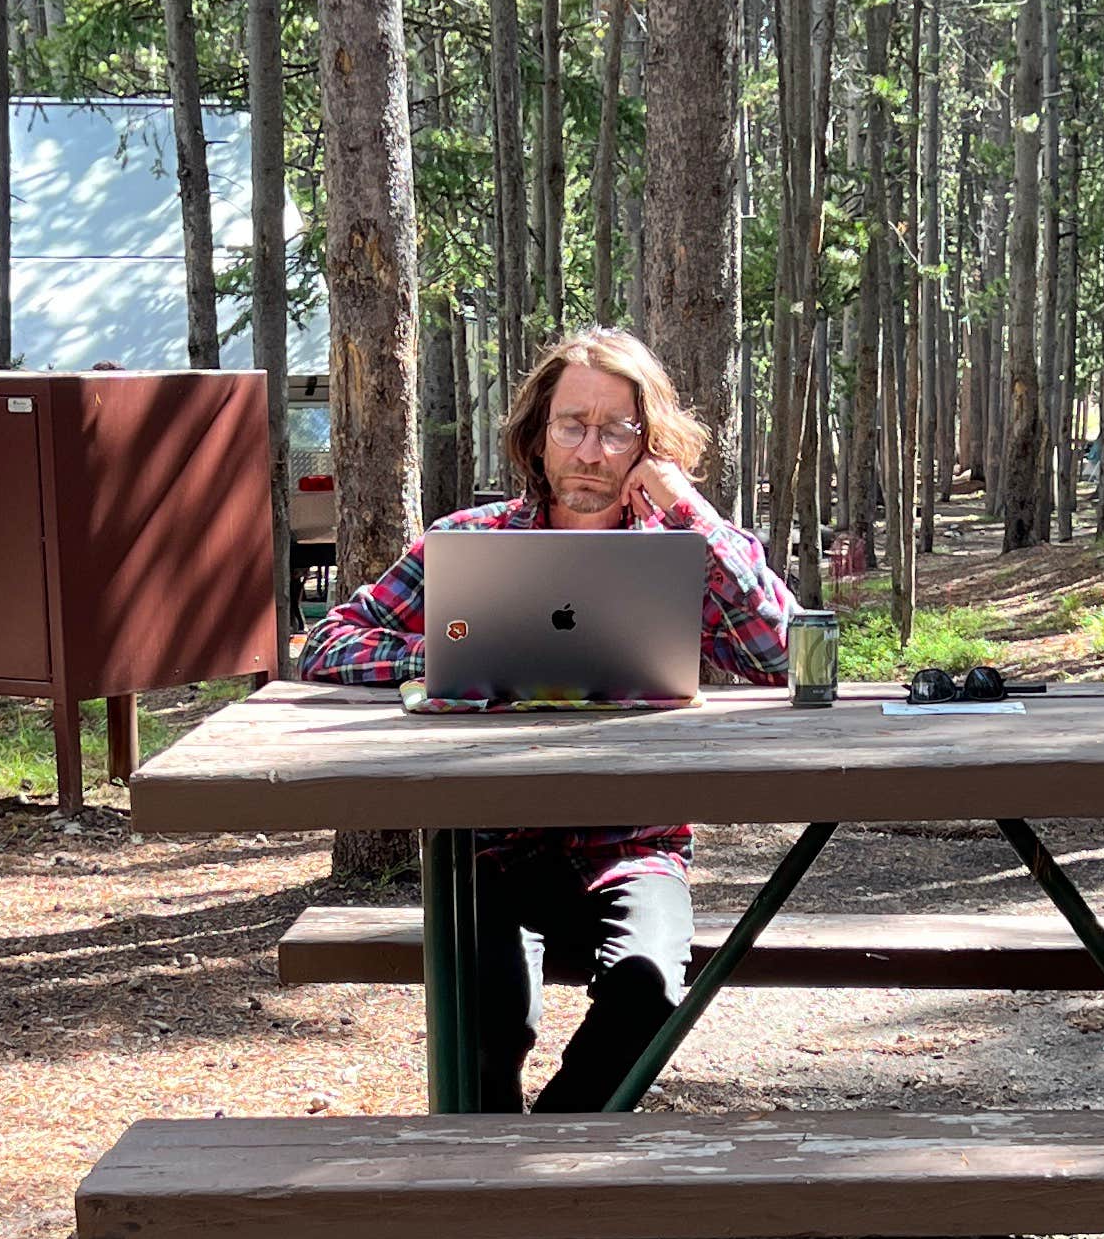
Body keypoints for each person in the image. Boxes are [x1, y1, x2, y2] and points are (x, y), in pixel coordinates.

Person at [300, 327, 796, 1110]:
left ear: (648, 443)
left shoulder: (678, 556)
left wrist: (686, 506)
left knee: (648, 994)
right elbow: (329, 639)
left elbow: (784, 651)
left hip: (633, 845)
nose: (591, 451)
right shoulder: (470, 546)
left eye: (616, 430)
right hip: (490, 843)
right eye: (573, 424)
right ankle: (483, 1193)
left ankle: (538, 1174)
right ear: (538, 434)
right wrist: (442, 659)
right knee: (495, 1018)